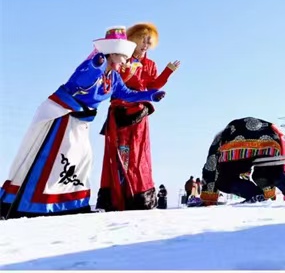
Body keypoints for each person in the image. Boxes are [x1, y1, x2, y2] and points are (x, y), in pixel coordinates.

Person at [0, 27, 166, 219]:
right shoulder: (94, 65)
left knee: (83, 158)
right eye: (122, 56)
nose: (125, 61)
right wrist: (95, 65)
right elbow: (81, 79)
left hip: (81, 120)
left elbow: (126, 94)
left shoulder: (113, 77)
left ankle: (70, 204)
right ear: (113, 53)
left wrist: (151, 95)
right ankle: (34, 204)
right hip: (63, 116)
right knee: (58, 157)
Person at [97, 22, 180, 212]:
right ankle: (115, 197)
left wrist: (168, 72)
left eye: (149, 42)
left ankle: (139, 196)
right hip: (119, 109)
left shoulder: (150, 64)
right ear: (132, 40)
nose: (145, 45)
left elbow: (153, 86)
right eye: (142, 40)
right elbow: (116, 85)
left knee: (138, 153)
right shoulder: (122, 60)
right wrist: (130, 71)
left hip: (140, 111)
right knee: (118, 152)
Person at [197, 117, 285, 206]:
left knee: (224, 181)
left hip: (239, 144)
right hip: (271, 140)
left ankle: (255, 194)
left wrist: (209, 196)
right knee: (267, 173)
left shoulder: (220, 139)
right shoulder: (229, 132)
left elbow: (210, 167)